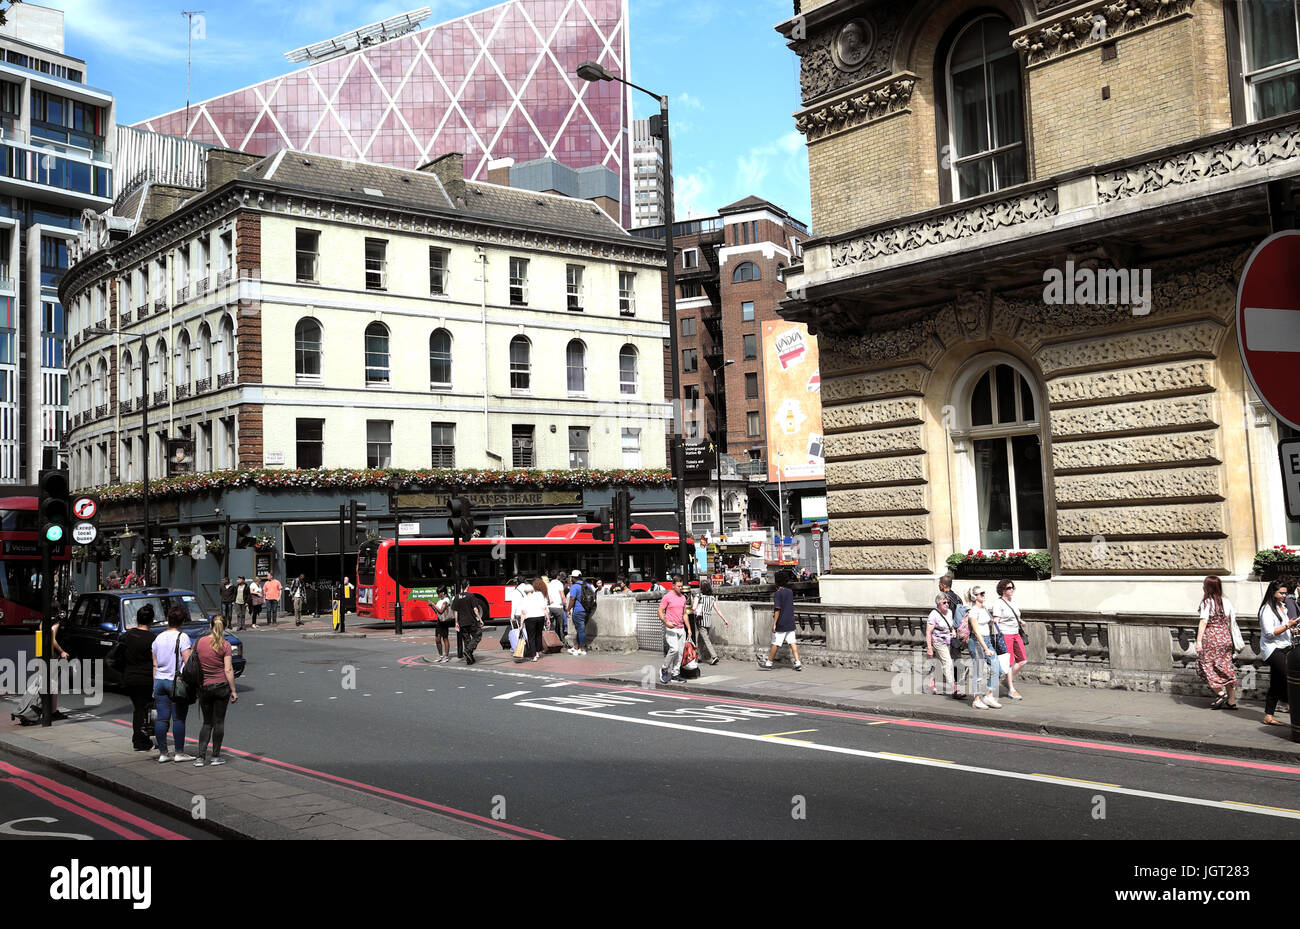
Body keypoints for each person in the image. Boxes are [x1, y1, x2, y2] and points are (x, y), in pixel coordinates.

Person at [151, 605, 195, 763]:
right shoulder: (182, 637)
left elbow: (154, 664)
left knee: (162, 719)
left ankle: (163, 753)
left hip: (159, 681)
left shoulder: (158, 638)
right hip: (174, 682)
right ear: (182, 620)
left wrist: (154, 685)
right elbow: (188, 662)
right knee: (178, 719)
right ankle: (179, 752)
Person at [192, 617, 238, 767]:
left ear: (210, 625)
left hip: (204, 687)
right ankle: (215, 756)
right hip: (221, 687)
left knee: (207, 722)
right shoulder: (225, 645)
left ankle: (200, 757)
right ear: (224, 627)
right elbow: (228, 669)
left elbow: (193, 663)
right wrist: (233, 690)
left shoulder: (199, 642)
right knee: (219, 722)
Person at [1196, 575, 1239, 710]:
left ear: (1207, 587)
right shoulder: (1227, 601)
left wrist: (1198, 642)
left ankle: (1221, 694)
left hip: (1211, 637)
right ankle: (1231, 702)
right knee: (1226, 668)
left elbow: (1203, 622)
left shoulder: (1207, 602)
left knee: (1206, 665)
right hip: (1225, 637)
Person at [1258, 579, 1296, 726]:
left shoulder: (1282, 606)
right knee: (1290, 677)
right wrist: (1288, 625)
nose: (1284, 596)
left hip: (1285, 646)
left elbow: (1282, 628)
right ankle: (1291, 704)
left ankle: (1268, 716)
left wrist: (1291, 629)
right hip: (1273, 649)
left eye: (1285, 593)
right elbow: (1269, 633)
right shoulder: (1266, 610)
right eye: (1281, 593)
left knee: (1276, 683)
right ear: (1272, 592)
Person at [119, 604, 157, 751]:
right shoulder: (152, 639)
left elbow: (117, 656)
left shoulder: (127, 636)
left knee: (139, 708)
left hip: (130, 677)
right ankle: (140, 740)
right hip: (146, 678)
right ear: (151, 620)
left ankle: (141, 738)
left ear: (137, 619)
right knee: (143, 709)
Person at [966, 586, 1002, 709]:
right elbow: (976, 632)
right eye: (980, 594)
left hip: (987, 640)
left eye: (983, 592)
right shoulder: (973, 611)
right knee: (979, 672)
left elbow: (987, 623)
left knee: (997, 668)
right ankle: (976, 700)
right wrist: (986, 648)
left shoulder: (984, 608)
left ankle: (988, 696)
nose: (983, 595)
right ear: (973, 597)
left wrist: (992, 621)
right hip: (977, 642)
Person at [760, 570, 801, 671]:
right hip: (790, 621)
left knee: (776, 643)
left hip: (781, 622)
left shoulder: (778, 594)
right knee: (792, 642)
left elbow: (777, 609)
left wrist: (774, 623)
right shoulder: (790, 592)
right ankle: (797, 662)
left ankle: (769, 662)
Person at [991, 579, 1026, 700]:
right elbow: (996, 620)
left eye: (1012, 587)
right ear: (1002, 590)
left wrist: (1021, 621)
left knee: (1022, 660)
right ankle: (1011, 689)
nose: (1011, 590)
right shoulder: (998, 603)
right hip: (1005, 634)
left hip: (1016, 633)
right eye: (1008, 588)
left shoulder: (1013, 601)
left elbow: (1016, 615)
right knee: (1009, 663)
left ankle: (1006, 680)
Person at [926, 594, 964, 699]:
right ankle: (955, 689)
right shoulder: (933, 615)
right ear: (938, 603)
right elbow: (928, 632)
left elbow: (950, 625)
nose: (947, 604)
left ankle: (931, 684)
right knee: (948, 663)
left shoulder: (950, 612)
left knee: (940, 664)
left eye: (948, 602)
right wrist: (929, 648)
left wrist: (953, 631)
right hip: (938, 643)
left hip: (947, 642)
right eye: (944, 603)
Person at [658, 574, 692, 683]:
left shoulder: (682, 598)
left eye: (681, 586)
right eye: (678, 586)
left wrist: (689, 629)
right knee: (674, 649)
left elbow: (685, 614)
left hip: (681, 628)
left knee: (680, 653)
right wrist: (666, 622)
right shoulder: (667, 597)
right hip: (671, 628)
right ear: (673, 586)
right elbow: (660, 611)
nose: (680, 588)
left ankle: (675, 674)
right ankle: (664, 669)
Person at [520, 579, 549, 663]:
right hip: (540, 617)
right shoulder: (538, 596)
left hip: (530, 618)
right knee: (538, 635)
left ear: (525, 591)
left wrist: (521, 624)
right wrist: (547, 618)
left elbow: (523, 612)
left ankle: (534, 655)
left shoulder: (524, 599)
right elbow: (544, 608)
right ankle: (537, 652)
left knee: (531, 637)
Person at [693, 578, 721, 665]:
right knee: (700, 639)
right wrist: (724, 619)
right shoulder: (712, 598)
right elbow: (718, 610)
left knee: (705, 639)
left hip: (700, 620)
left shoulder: (699, 596)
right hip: (708, 621)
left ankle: (714, 656)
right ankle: (699, 657)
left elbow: (694, 607)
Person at [454, 587, 483, 665]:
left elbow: (455, 611)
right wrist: (480, 619)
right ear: (467, 586)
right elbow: (475, 609)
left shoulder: (457, 597)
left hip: (461, 622)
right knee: (478, 635)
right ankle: (468, 650)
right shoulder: (471, 596)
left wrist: (456, 622)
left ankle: (469, 659)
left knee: (466, 640)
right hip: (471, 621)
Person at [566, 570, 589, 656]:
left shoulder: (574, 586)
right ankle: (576, 647)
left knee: (580, 629)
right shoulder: (586, 585)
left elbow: (572, 599)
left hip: (578, 610)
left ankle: (582, 648)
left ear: (573, 578)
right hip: (587, 610)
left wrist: (568, 610)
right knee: (581, 629)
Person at [545, 573, 567, 645]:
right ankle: (561, 641)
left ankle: (550, 642)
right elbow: (562, 596)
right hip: (558, 607)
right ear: (558, 576)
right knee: (560, 626)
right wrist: (565, 605)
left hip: (550, 607)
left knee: (551, 626)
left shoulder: (548, 584)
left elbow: (547, 596)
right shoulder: (559, 584)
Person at [433, 587, 453, 662]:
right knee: (437, 639)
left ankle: (446, 656)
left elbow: (441, 611)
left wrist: (433, 604)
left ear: (443, 593)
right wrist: (432, 606)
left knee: (445, 638)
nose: (437, 594)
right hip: (439, 621)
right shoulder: (439, 601)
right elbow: (437, 613)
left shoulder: (446, 600)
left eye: (439, 593)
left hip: (444, 621)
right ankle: (440, 655)